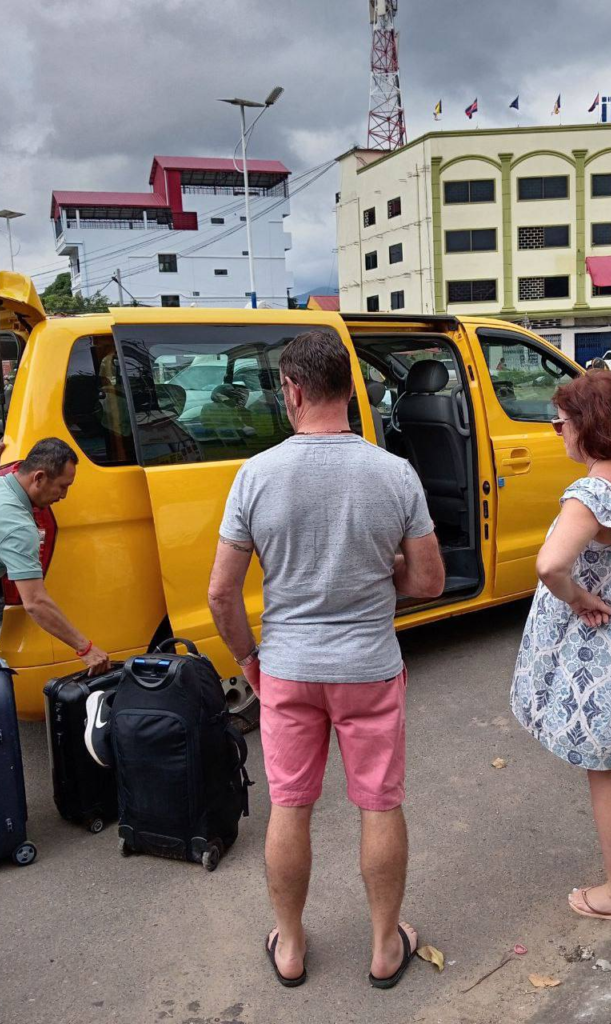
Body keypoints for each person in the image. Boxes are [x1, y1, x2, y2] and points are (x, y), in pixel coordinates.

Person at [208, 329, 445, 988]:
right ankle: (384, 948)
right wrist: (383, 569)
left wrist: (248, 659)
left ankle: (289, 946)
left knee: (290, 806)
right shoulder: (393, 473)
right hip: (369, 668)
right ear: (349, 388)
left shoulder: (255, 475)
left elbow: (221, 593)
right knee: (379, 804)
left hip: (287, 668)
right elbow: (428, 581)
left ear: (292, 390)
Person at [509, 370, 611, 923]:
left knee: (606, 770)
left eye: (560, 423)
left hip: (608, 656)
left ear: (587, 425)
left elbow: (550, 565)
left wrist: (579, 597)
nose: (557, 431)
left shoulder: (594, 492)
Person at [0, 437, 110, 676]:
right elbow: (35, 602)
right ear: (39, 477)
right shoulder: (19, 528)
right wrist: (85, 648)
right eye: (63, 486)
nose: (64, 495)